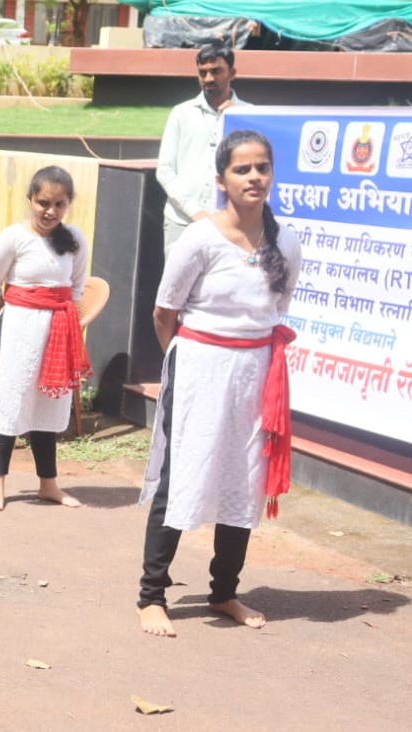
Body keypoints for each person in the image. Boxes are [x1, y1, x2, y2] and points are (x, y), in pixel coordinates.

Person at [137, 130, 300, 638]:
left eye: (262, 168)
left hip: (255, 375)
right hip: (198, 370)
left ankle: (224, 592)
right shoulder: (201, 237)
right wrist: (188, 366)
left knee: (242, 479)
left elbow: (278, 308)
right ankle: (151, 595)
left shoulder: (285, 242)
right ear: (221, 180)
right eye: (242, 169)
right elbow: (165, 312)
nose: (254, 177)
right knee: (180, 475)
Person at [0, 166, 91, 512]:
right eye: (43, 202)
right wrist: (12, 316)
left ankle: (48, 484)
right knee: (11, 404)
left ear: (68, 204)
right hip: (17, 330)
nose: (50, 211)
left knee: (47, 405)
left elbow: (75, 288)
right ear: (30, 199)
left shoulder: (75, 240)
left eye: (59, 204)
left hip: (57, 331)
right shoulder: (14, 237)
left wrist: (58, 324)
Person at [157, 44, 246, 250]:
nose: (208, 79)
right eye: (202, 73)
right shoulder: (181, 113)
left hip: (230, 223)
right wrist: (195, 211)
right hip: (182, 221)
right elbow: (165, 170)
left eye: (216, 71)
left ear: (232, 73)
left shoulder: (248, 114)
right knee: (178, 283)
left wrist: (239, 118)